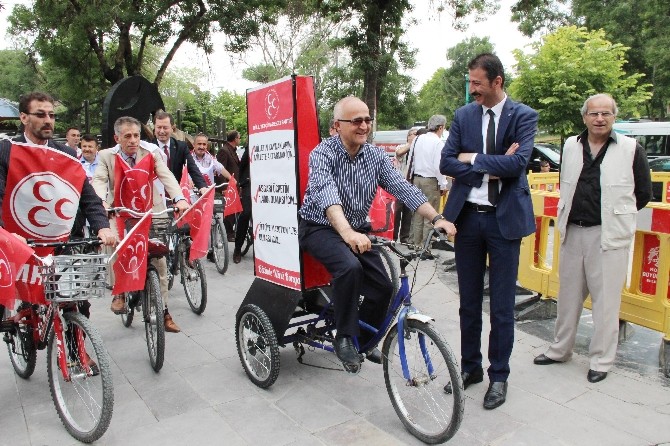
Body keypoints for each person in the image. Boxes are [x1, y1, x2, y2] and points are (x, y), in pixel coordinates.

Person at [299, 96, 456, 367]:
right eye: (356, 120)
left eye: (367, 120)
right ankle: (345, 337)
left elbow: (403, 188)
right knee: (349, 268)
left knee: (384, 287)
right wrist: (347, 233)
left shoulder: (374, 156)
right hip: (320, 227)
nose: (364, 126)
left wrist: (437, 217)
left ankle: (361, 338)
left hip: (357, 230)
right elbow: (327, 196)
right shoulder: (323, 153)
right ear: (337, 125)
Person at [440, 53, 538, 410]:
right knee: (468, 302)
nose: (472, 90)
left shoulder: (523, 116)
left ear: (497, 82)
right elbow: (446, 162)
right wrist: (488, 167)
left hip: (504, 221)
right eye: (470, 82)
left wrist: (473, 158)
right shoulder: (464, 115)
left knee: (501, 305)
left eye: (478, 83)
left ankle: (499, 376)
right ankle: (470, 368)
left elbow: (517, 164)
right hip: (466, 219)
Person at [533, 94, 652, 383]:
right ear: (585, 116)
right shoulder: (572, 146)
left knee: (605, 301)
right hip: (573, 231)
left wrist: (615, 215)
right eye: (594, 113)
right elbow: (567, 184)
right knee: (568, 296)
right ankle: (561, 349)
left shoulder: (630, 148)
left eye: (606, 113)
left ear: (614, 117)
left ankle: (601, 359)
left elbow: (644, 193)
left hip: (608, 235)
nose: (600, 118)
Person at [92, 116, 189, 333]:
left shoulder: (151, 152)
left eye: (136, 135)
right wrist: (100, 203)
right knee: (116, 245)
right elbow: (98, 180)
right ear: (117, 138)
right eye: (127, 136)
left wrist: (179, 197)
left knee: (159, 261)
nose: (133, 140)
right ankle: (119, 292)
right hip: (119, 211)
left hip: (149, 211)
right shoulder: (107, 156)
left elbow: (167, 176)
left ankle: (164, 312)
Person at [2, 92, 115, 245]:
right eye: (40, 115)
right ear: (24, 118)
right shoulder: (7, 150)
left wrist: (102, 227)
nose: (48, 120)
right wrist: (6, 234)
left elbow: (87, 195)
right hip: (15, 244)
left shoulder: (66, 154)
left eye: (52, 115)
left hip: (59, 247)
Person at [409, 115, 449, 258]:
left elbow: (411, 161)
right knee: (430, 215)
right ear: (440, 127)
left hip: (416, 179)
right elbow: (439, 166)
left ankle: (415, 245)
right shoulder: (437, 143)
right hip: (431, 180)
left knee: (418, 214)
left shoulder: (418, 139)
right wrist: (443, 184)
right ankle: (425, 249)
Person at [153, 110, 208, 195]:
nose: (162, 131)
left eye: (165, 127)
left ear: (172, 128)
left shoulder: (181, 147)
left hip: (175, 195)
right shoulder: (147, 147)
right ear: (154, 128)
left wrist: (202, 186)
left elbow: (192, 167)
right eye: (159, 127)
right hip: (154, 195)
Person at [392, 128, 418, 244]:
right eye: (412, 134)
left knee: (408, 214)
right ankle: (392, 237)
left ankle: (405, 238)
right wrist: (410, 144)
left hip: (411, 184)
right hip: (400, 184)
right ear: (408, 136)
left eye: (416, 134)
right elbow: (399, 153)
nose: (414, 136)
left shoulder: (418, 149)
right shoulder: (401, 147)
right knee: (396, 212)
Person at [216, 130, 241, 241]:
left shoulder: (233, 150)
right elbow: (220, 170)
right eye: (239, 137)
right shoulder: (224, 151)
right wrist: (224, 188)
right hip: (228, 186)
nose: (240, 140)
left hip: (235, 185)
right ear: (235, 139)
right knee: (229, 211)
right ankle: (228, 233)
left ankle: (232, 231)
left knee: (234, 210)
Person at [233, 144, 251, 264]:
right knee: (246, 213)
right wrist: (240, 183)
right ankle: (238, 248)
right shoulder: (251, 146)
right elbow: (242, 165)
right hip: (249, 183)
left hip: (265, 182)